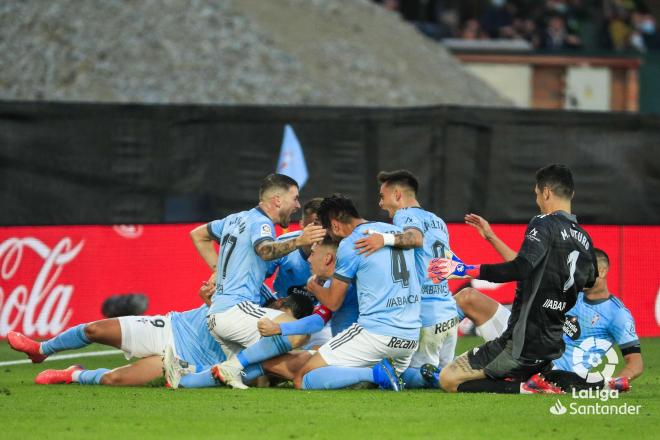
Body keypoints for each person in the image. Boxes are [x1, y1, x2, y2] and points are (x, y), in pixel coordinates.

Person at [428, 164, 598, 394]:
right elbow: (588, 281)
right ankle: (550, 377)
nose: (538, 200)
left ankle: (525, 388)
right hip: (549, 347)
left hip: (519, 346)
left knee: (448, 379)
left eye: (537, 194)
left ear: (546, 192)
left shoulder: (543, 222)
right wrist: (491, 237)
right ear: (572, 194)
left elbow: (521, 268)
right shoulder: (584, 239)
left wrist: (465, 268)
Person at [189, 174, 325, 376]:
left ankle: (192, 373)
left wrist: (218, 270)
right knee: (297, 332)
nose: (297, 205)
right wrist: (298, 241)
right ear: (278, 200)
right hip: (236, 309)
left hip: (219, 311)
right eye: (295, 198)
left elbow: (198, 234)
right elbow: (265, 250)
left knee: (256, 371)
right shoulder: (262, 223)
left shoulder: (236, 218)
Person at [292, 194, 422, 391]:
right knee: (371, 379)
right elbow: (417, 239)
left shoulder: (350, 243)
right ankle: (428, 376)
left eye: (328, 230)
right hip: (410, 336)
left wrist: (314, 286)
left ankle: (376, 373)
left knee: (302, 378)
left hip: (376, 334)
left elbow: (334, 302)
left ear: (335, 225)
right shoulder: (394, 231)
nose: (331, 238)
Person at [8, 278, 225, 386]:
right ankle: (41, 349)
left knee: (114, 379)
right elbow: (200, 236)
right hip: (174, 327)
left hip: (189, 361)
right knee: (94, 330)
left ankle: (72, 374)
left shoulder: (260, 314)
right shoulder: (246, 284)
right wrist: (210, 288)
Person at [354, 170, 458, 389]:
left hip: (426, 314)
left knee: (415, 378)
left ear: (398, 195)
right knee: (449, 381)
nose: (380, 204)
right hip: (448, 314)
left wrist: (384, 238)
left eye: (382, 196)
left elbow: (415, 238)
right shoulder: (438, 221)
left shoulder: (405, 215)